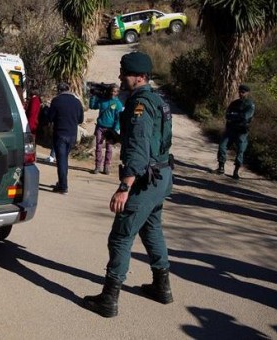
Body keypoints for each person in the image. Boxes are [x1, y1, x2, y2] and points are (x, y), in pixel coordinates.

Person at [84, 51, 174, 318]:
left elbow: (138, 147)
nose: (121, 77)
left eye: (126, 73)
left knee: (121, 237)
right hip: (161, 176)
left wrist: (124, 187)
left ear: (141, 77)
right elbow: (150, 140)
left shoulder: (140, 105)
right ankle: (162, 287)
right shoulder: (156, 100)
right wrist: (118, 137)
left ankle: (108, 300)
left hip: (145, 181)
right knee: (152, 229)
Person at [47, 82, 84, 194]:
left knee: (61, 161)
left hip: (60, 134)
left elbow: (50, 117)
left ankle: (63, 186)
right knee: (64, 160)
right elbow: (80, 120)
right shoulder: (77, 102)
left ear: (59, 90)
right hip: (72, 135)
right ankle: (62, 182)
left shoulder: (56, 101)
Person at [215, 84, 255, 179]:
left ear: (247, 93)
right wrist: (236, 116)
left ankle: (236, 171)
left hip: (241, 131)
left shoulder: (250, 104)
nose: (241, 94)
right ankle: (221, 168)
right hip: (230, 129)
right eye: (240, 92)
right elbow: (228, 114)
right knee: (222, 147)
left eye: (243, 92)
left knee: (240, 151)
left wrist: (235, 117)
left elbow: (245, 117)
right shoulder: (234, 103)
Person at [89, 84, 123, 175]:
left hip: (110, 129)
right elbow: (92, 106)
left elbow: (118, 118)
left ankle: (106, 167)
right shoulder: (102, 100)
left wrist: (115, 129)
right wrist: (93, 96)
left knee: (109, 148)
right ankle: (97, 166)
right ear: (109, 91)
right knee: (98, 147)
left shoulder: (118, 104)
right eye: (112, 91)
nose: (113, 93)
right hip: (100, 126)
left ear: (117, 93)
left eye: (115, 91)